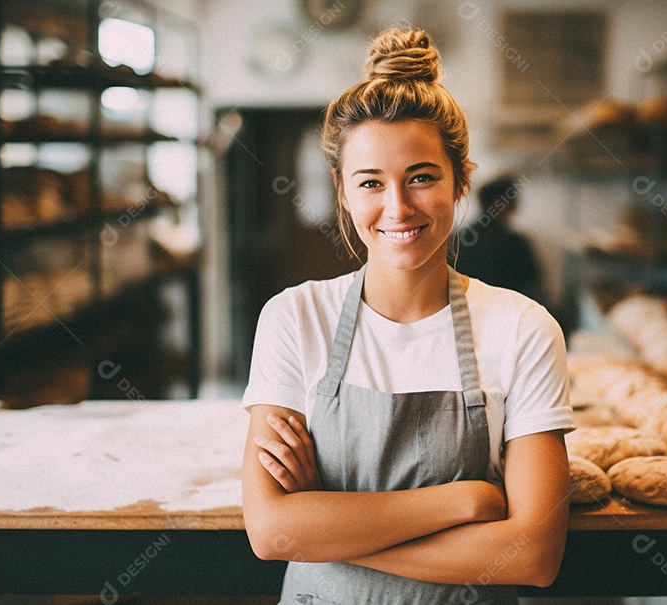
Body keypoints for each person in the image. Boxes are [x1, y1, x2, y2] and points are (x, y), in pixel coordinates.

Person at [241, 27, 573, 605]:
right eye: (371, 182)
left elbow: (533, 556)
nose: (397, 207)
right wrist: (463, 501)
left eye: (421, 177)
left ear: (461, 178)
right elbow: (272, 533)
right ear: (343, 191)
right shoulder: (294, 319)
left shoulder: (524, 329)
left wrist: (329, 527)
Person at [454, 174, 545, 304]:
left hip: (468, 307)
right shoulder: (515, 242)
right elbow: (535, 286)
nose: (517, 204)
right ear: (498, 203)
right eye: (512, 199)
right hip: (508, 309)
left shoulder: (461, 238)